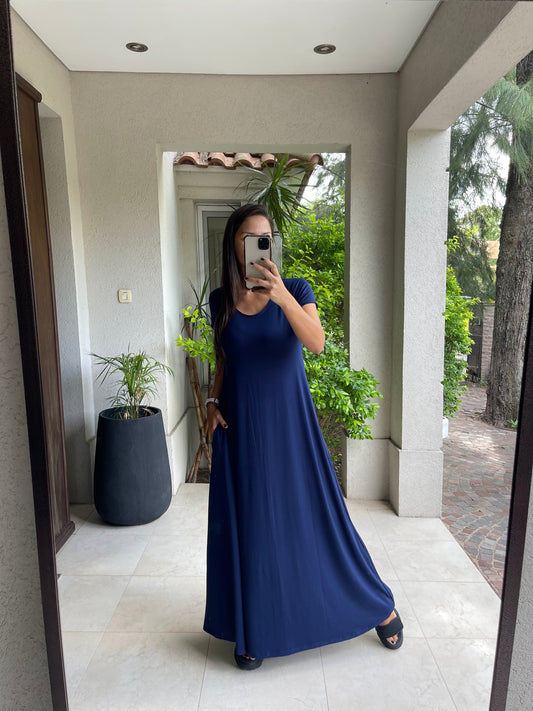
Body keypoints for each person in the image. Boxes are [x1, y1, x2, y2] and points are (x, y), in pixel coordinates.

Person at [203, 203, 403, 670]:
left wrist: (281, 299)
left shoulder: (295, 289)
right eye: (249, 238)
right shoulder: (219, 300)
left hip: (291, 429)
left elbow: (316, 341)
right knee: (252, 528)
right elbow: (224, 358)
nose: (259, 246)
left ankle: (379, 604)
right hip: (242, 433)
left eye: (265, 237)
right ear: (234, 245)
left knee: (322, 522)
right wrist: (212, 402)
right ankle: (254, 631)